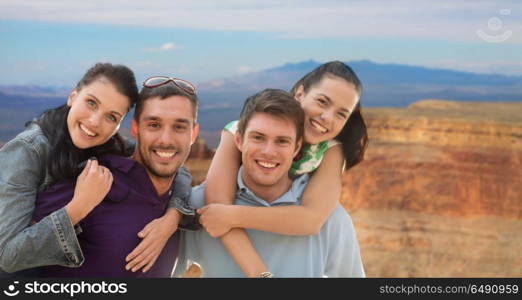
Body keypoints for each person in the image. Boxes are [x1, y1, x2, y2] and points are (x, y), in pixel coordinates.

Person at [0, 64, 186, 276]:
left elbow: (175, 166)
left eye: (111, 117)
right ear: (73, 96)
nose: (95, 122)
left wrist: (172, 218)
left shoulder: (109, 143)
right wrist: (79, 207)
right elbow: (7, 257)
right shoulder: (28, 150)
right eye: (91, 103)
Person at [198, 61, 368, 277]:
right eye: (322, 102)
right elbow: (216, 208)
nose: (327, 117)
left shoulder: (331, 151)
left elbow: (311, 221)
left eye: (341, 114)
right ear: (299, 94)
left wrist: (234, 215)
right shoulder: (240, 131)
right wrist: (259, 273)